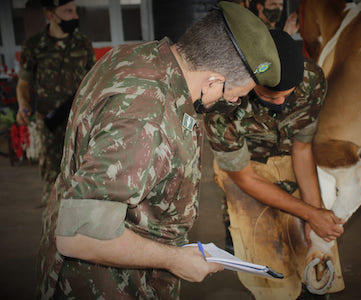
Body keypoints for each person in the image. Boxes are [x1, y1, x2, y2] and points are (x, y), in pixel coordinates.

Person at [36, 1, 281, 299]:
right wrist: (175, 260)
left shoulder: (140, 55)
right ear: (214, 80)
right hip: (104, 283)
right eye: (235, 95)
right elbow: (79, 236)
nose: (233, 104)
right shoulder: (145, 120)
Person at [204, 29, 344, 251]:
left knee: (304, 245)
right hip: (244, 164)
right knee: (258, 249)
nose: (280, 103)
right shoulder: (221, 106)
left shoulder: (311, 79)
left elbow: (302, 149)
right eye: (269, 96)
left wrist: (313, 214)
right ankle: (232, 234)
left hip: (286, 154)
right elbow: (245, 178)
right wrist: (310, 213)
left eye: (287, 95)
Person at [16, 0, 96, 205]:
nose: (75, 16)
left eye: (75, 10)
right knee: (53, 171)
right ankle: (54, 212)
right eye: (68, 11)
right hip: (49, 120)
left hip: (80, 118)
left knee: (84, 168)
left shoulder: (83, 43)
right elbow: (23, 84)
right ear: (51, 15)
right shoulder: (33, 47)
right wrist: (22, 106)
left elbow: (95, 79)